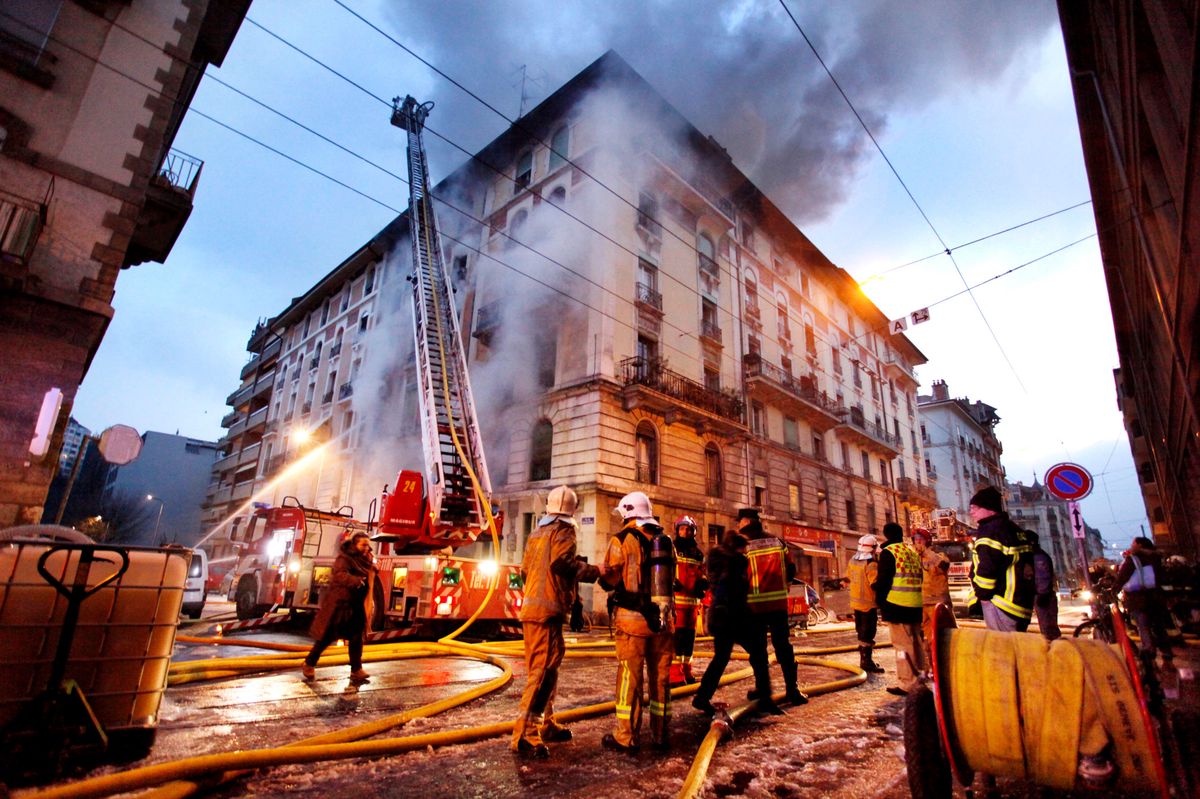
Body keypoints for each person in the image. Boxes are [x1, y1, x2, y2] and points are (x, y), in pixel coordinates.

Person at [511, 485, 600, 758]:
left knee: (548, 670)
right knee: (541, 674)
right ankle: (525, 735)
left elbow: (526, 571)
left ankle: (545, 724)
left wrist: (572, 601)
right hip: (547, 613)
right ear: (572, 510)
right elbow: (561, 565)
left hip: (533, 610)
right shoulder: (564, 531)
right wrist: (593, 571)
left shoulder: (537, 533)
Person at [599, 491, 675, 753]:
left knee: (629, 679)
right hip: (663, 622)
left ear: (627, 513)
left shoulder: (621, 540)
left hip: (633, 624)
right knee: (660, 680)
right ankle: (660, 734)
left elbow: (609, 578)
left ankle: (626, 736)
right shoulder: (665, 541)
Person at [691, 530, 777, 716]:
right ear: (736, 547)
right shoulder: (734, 563)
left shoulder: (718, 560)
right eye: (743, 549)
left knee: (721, 658)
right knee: (758, 653)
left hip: (721, 615)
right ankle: (765, 697)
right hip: (734, 616)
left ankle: (702, 697)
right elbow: (730, 587)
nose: (746, 552)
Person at [740, 509, 808, 707]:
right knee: (783, 647)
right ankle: (792, 690)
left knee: (758, 650)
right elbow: (791, 568)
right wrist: (784, 585)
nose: (738, 526)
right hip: (778, 604)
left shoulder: (743, 545)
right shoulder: (777, 541)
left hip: (754, 606)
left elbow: (739, 575)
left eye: (739, 522)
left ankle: (763, 690)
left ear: (746, 522)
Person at [302, 530, 376, 684]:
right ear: (354, 545)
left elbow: (370, 569)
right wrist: (355, 581)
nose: (366, 548)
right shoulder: (344, 558)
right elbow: (339, 575)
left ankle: (356, 669)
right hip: (341, 604)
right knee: (327, 636)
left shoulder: (366, 559)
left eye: (367, 545)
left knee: (356, 637)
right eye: (363, 545)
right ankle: (309, 663)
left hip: (356, 605)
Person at [966, 486, 1034, 632]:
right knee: (1015, 643)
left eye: (975, 508)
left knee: (1002, 644)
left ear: (989, 508)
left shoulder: (991, 530)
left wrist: (982, 595)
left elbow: (988, 566)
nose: (971, 512)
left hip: (1001, 603)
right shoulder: (1013, 529)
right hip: (1020, 603)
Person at [874, 522, 924, 696]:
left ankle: (906, 683)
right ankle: (921, 676)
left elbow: (884, 580)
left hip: (897, 605)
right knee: (917, 643)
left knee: (902, 647)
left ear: (886, 535)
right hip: (916, 604)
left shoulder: (889, 552)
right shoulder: (911, 551)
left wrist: (880, 602)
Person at [1112, 536, 1175, 666]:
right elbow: (1162, 577)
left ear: (1139, 545)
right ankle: (1167, 655)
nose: (1131, 545)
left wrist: (1114, 590)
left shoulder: (1133, 559)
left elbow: (1123, 577)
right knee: (1159, 627)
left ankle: (1149, 656)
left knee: (1143, 627)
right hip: (1156, 597)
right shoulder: (1156, 558)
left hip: (1137, 598)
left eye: (1133, 543)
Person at [669, 515, 708, 686]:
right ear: (677, 530)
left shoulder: (698, 553)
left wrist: (703, 582)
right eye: (682, 529)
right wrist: (670, 581)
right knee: (676, 641)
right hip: (676, 603)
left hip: (692, 605)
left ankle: (687, 671)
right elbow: (662, 570)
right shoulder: (671, 549)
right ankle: (675, 675)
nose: (685, 532)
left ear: (694, 532)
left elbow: (703, 573)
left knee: (688, 641)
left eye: (689, 529)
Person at [911, 528, 951, 661]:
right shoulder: (914, 557)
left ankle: (944, 663)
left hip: (938, 605)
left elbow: (944, 566)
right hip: (921, 604)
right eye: (916, 540)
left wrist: (927, 553)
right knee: (925, 639)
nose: (918, 543)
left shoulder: (939, 555)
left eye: (920, 540)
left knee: (941, 637)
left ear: (927, 541)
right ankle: (931, 665)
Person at [848, 533, 884, 673]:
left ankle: (863, 660)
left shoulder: (853, 560)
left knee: (861, 632)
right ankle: (866, 662)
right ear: (873, 548)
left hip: (856, 604)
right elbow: (875, 584)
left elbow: (849, 578)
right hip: (868, 604)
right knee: (868, 633)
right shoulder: (871, 564)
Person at [1024, 530, 1061, 641]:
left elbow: (1042, 577)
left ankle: (1055, 648)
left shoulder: (1038, 557)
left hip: (1044, 597)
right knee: (1048, 629)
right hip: (1043, 596)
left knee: (1049, 630)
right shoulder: (1038, 555)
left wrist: (1042, 594)